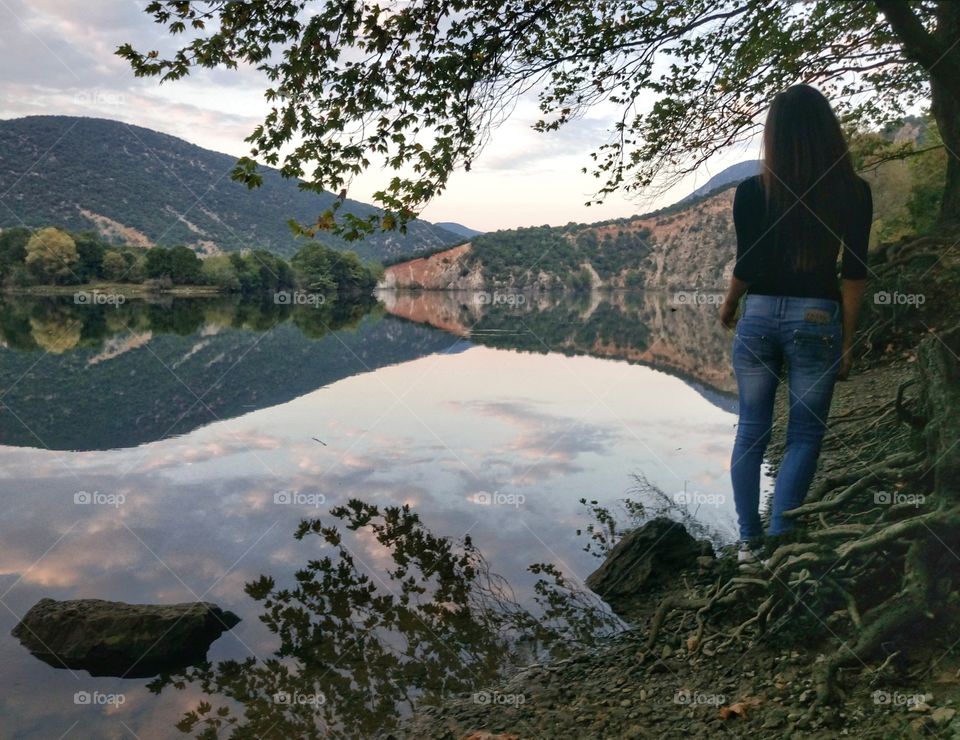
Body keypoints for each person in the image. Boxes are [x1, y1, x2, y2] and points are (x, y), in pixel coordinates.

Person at [718, 83, 873, 566]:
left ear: (774, 136)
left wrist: (729, 307)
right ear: (828, 131)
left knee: (751, 431)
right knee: (804, 435)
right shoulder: (853, 191)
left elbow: (747, 263)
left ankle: (749, 543)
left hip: (760, 316)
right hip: (817, 317)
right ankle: (782, 540)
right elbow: (854, 273)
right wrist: (846, 341)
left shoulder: (751, 192)